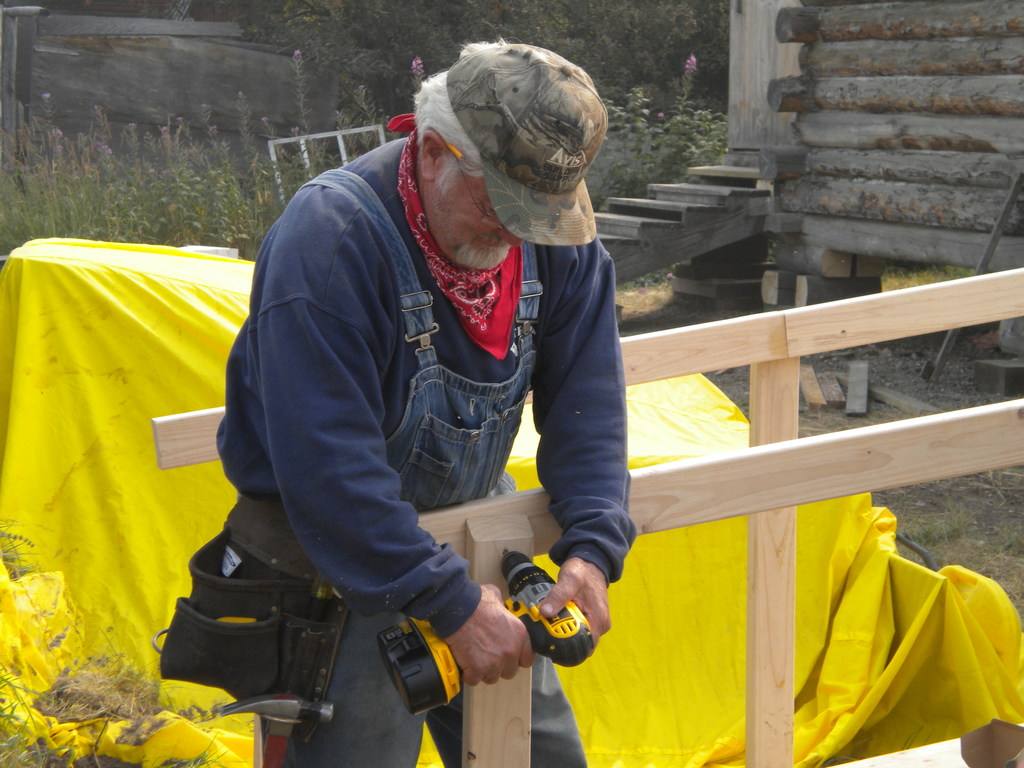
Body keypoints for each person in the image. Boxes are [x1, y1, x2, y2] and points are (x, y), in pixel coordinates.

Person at [215, 40, 636, 767]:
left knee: (543, 759)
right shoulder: (331, 242)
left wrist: (595, 547)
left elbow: (588, 408)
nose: (517, 234)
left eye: (541, 214)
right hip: (332, 557)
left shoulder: (549, 238)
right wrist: (448, 604)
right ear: (435, 151)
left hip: (473, 542)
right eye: (499, 205)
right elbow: (328, 474)